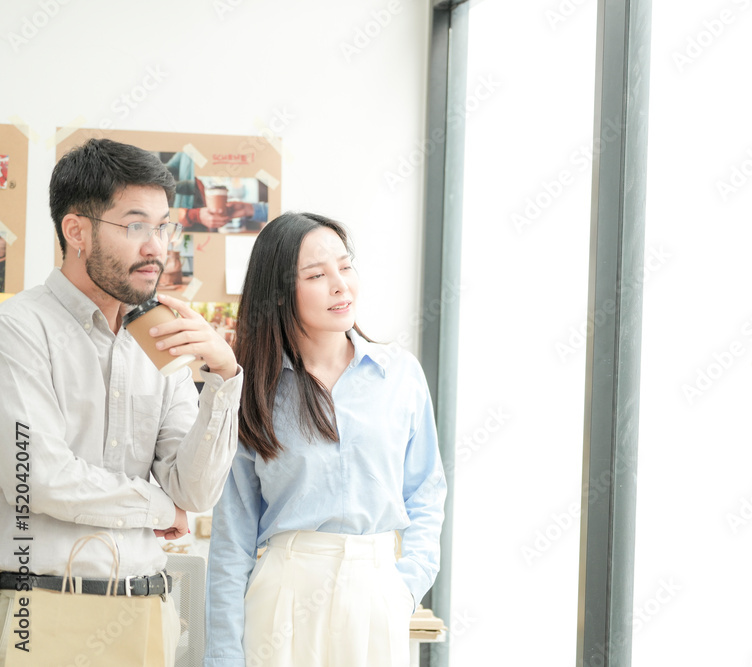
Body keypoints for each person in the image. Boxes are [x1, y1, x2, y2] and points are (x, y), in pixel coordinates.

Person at [0, 138, 244, 665]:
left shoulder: (160, 337)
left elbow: (195, 491)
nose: (156, 247)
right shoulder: (17, 329)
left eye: (164, 227)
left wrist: (224, 378)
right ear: (77, 231)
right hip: (41, 607)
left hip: (147, 610)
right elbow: (41, 478)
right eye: (136, 226)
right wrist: (160, 508)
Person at [205, 212, 446, 666]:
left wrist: (407, 585)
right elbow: (232, 537)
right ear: (278, 294)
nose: (340, 285)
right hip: (284, 593)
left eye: (345, 266)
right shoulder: (252, 389)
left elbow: (426, 492)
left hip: (377, 593)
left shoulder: (400, 374)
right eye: (317, 275)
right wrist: (222, 655)